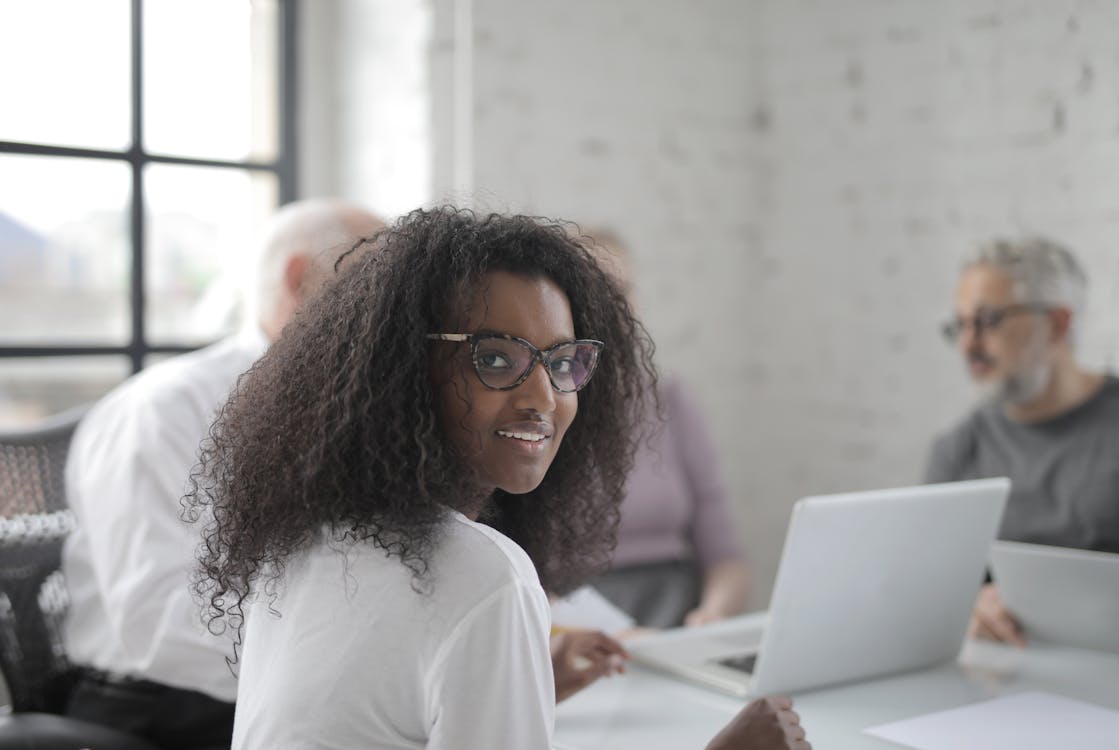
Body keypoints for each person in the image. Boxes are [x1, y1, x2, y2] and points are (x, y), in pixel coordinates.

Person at [186, 207, 811, 749]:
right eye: (494, 359)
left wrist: (525, 685)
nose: (544, 396)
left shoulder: (302, 539)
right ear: (403, 372)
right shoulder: (483, 575)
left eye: (563, 362)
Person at [61, 198, 385, 748]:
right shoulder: (166, 412)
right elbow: (158, 622)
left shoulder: (360, 409)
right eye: (377, 279)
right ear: (300, 277)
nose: (399, 308)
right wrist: (362, 668)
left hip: (289, 687)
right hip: (163, 711)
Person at [925, 236, 1119, 646]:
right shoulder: (958, 449)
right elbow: (934, 590)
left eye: (987, 320)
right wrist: (971, 606)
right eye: (960, 325)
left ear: (1056, 324)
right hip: (1001, 678)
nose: (968, 345)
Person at [587, 231, 749, 628]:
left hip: (676, 613)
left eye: (623, 289)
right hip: (580, 623)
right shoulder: (540, 409)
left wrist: (712, 614)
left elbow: (727, 558)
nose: (613, 305)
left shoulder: (670, 399)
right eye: (594, 289)